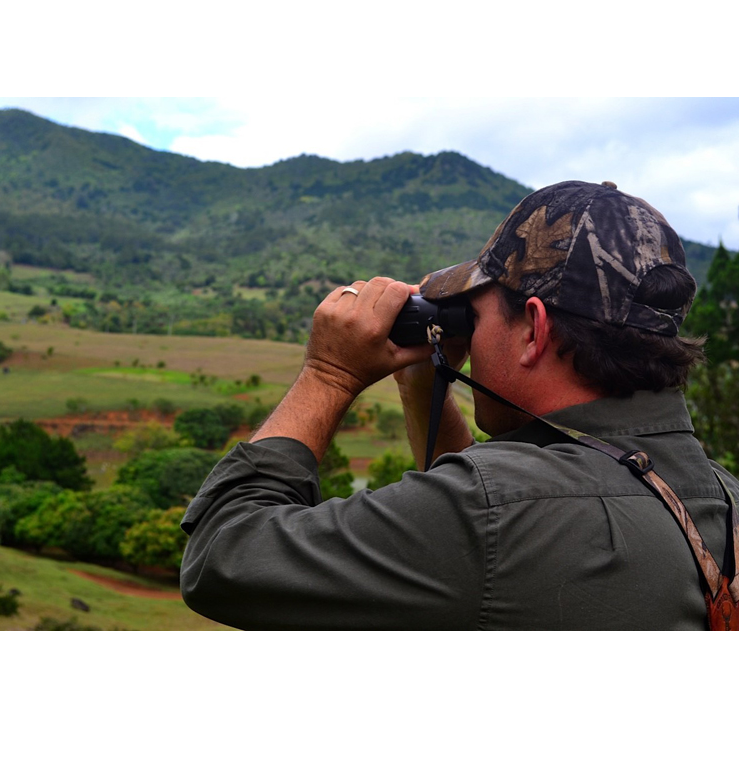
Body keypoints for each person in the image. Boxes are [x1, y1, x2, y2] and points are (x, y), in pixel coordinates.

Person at [180, 180, 738, 630]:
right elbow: (498, 527)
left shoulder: (489, 514)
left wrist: (328, 374)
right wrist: (428, 376)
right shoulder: (725, 496)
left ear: (534, 330)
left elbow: (222, 557)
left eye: (478, 313)